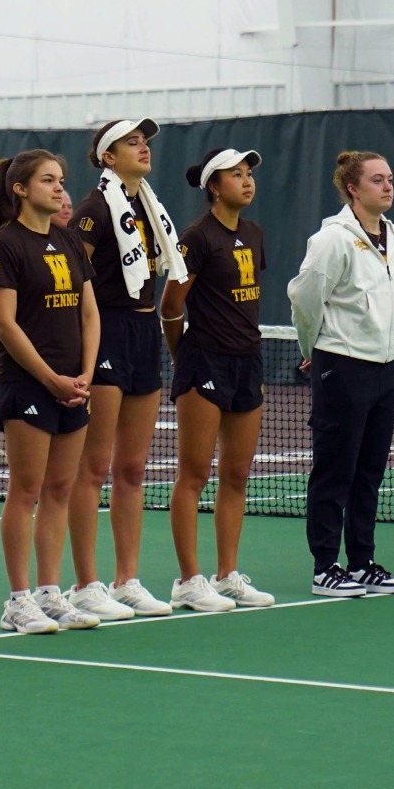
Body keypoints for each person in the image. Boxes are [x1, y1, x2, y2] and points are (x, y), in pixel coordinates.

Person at [67, 118, 188, 621]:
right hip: (107, 332)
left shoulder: (149, 208)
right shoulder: (95, 209)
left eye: (145, 142)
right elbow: (74, 281)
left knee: (133, 468)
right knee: (93, 467)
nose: (143, 148)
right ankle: (84, 585)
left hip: (143, 331)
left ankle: (127, 581)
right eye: (131, 142)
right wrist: (83, 345)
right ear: (107, 157)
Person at [0, 149, 100, 634]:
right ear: (21, 189)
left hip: (75, 385)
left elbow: (89, 312)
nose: (59, 188)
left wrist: (85, 374)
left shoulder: (67, 240)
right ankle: (18, 600)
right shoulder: (4, 245)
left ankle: (51, 593)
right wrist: (51, 379)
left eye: (61, 180)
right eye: (48, 180)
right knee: (25, 490)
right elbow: (5, 324)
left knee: (59, 489)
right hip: (28, 386)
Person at [289, 151, 394, 599]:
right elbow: (305, 297)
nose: (388, 186)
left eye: (390, 178)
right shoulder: (332, 239)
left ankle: (362, 562)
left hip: (387, 366)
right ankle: (325, 566)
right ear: (352, 188)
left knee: (369, 471)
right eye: (377, 179)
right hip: (342, 364)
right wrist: (314, 347)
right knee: (335, 469)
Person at [158, 148, 276, 611]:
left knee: (237, 474)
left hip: (248, 362)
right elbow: (171, 305)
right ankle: (189, 580)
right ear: (213, 186)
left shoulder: (254, 233)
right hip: (203, 361)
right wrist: (182, 356)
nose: (247, 181)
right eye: (236, 175)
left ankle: (227, 575)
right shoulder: (196, 238)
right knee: (193, 474)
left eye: (249, 174)